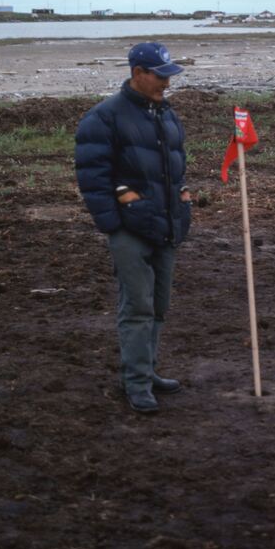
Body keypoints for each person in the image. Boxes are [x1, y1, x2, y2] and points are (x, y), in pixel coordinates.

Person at [75, 42, 191, 413]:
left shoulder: (165, 113)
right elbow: (92, 178)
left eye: (169, 75)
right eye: (160, 76)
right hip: (130, 231)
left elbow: (175, 167)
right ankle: (136, 383)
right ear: (137, 73)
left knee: (158, 306)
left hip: (165, 225)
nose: (166, 83)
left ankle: (148, 370)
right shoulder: (103, 118)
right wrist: (114, 227)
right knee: (137, 307)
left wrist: (183, 204)